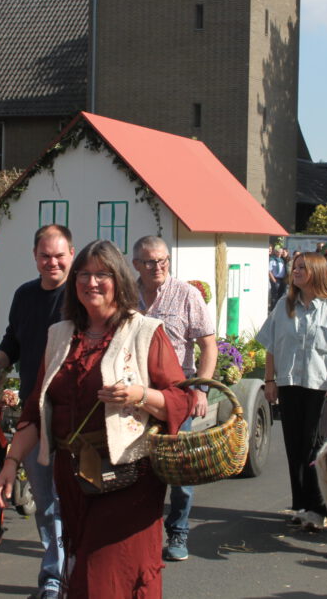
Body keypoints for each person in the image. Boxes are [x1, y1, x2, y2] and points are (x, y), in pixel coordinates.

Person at [0, 240, 193, 598]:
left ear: (119, 280)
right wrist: (11, 462)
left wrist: (140, 395)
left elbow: (181, 399)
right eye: (84, 274)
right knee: (83, 569)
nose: (92, 282)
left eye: (103, 274)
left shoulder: (145, 331)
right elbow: (36, 409)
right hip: (74, 478)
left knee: (108, 574)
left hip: (128, 478)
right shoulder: (59, 335)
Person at [0, 225, 74, 599]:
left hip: (72, 412)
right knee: (45, 500)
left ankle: (71, 574)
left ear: (71, 254)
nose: (52, 262)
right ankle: (54, 575)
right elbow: (13, 339)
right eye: (45, 256)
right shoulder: (25, 294)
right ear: (35, 257)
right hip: (33, 412)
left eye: (59, 256)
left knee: (70, 497)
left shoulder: (79, 296)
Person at [256, 252, 327, 532]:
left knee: (318, 447)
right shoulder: (284, 305)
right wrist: (270, 380)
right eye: (295, 267)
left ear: (316, 272)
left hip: (322, 388)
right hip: (290, 385)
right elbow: (271, 346)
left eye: (302, 268)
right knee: (295, 446)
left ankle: (319, 509)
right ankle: (301, 506)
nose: (296, 271)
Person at [131, 235, 217, 563]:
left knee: (179, 471)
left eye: (163, 260)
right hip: (137, 394)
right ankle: (142, 535)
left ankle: (178, 530)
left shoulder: (186, 294)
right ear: (136, 264)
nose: (158, 267)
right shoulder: (126, 295)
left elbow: (208, 345)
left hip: (178, 394)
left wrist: (201, 390)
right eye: (150, 262)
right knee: (138, 468)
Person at [268, 244, 287, 309]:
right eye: (278, 252)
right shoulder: (272, 259)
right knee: (275, 295)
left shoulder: (282, 260)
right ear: (275, 252)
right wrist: (273, 279)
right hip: (275, 279)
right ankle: (273, 309)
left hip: (282, 279)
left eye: (281, 252)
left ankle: (278, 308)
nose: (280, 253)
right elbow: (269, 270)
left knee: (281, 294)